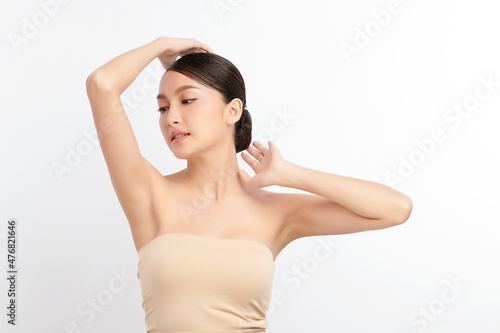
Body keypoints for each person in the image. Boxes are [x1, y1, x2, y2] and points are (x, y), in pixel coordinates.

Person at [85, 36, 413, 333]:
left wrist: (290, 174)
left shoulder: (275, 211)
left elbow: (395, 209)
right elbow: (102, 85)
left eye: (187, 100)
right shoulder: (148, 195)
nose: (170, 117)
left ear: (233, 110)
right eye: (163, 106)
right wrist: (163, 45)